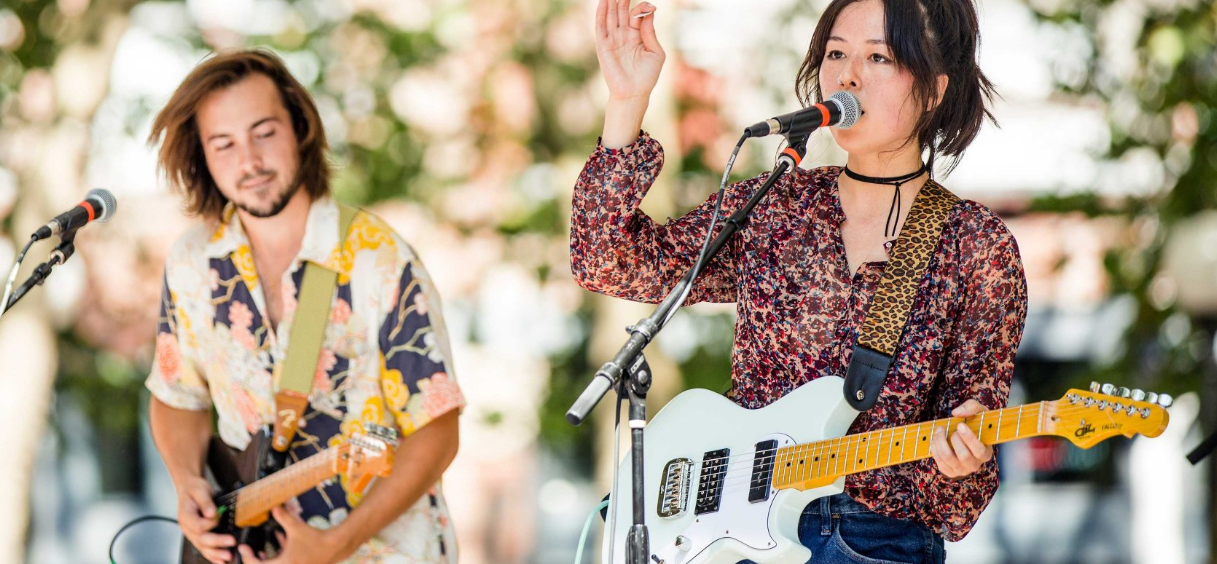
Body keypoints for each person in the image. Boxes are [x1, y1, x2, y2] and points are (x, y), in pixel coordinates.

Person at [571, 0, 1027, 562]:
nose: (847, 74)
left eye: (878, 57)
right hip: (732, 532)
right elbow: (607, 258)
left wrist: (964, 460)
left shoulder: (976, 246)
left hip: (877, 542)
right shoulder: (776, 206)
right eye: (836, 53)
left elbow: (960, 504)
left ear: (934, 91)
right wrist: (626, 101)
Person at [145, 49, 465, 564]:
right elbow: (177, 395)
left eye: (264, 133)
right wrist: (186, 484)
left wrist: (334, 544)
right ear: (201, 157)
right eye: (223, 144)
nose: (248, 162)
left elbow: (437, 429)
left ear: (300, 126)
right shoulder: (191, 262)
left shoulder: (376, 257)